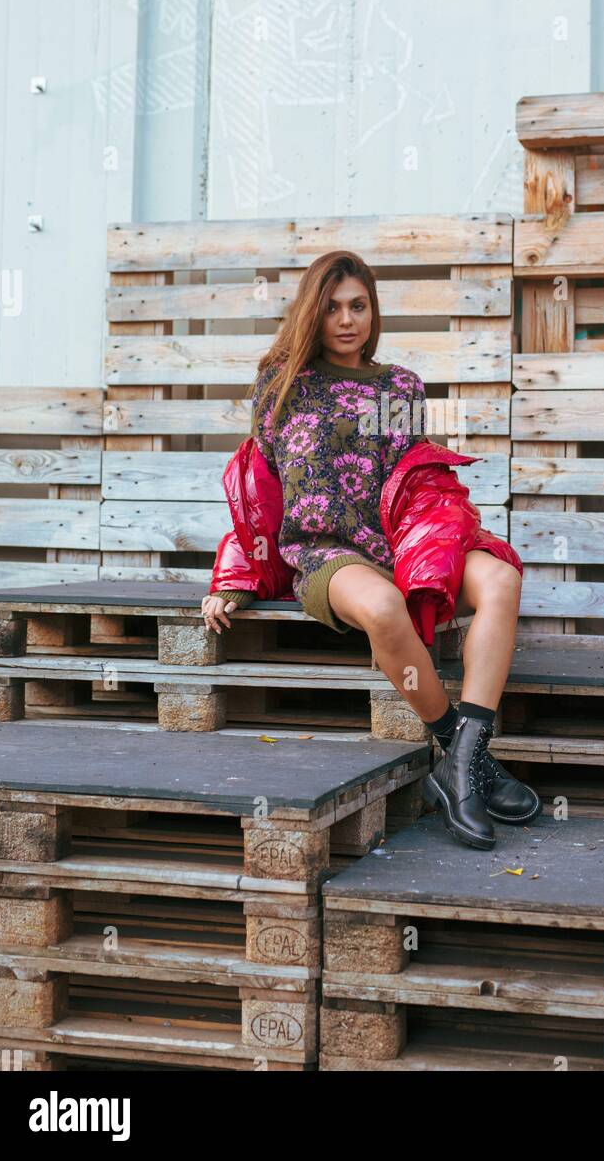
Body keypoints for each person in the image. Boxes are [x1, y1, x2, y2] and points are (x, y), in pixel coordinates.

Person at [201, 250, 540, 848]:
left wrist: (438, 536)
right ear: (313, 313)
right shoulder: (282, 384)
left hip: (402, 543)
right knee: (383, 607)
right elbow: (260, 491)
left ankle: (461, 764)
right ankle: (463, 759)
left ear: (372, 310)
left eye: (358, 305)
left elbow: (413, 477)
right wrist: (232, 576)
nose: (346, 319)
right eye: (331, 308)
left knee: (501, 580)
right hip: (327, 556)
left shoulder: (399, 386)